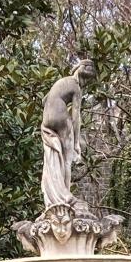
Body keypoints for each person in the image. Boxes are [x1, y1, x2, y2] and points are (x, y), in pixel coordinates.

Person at [40, 59, 96, 209]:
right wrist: (77, 142)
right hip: (60, 118)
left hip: (46, 120)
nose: (85, 84)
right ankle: (65, 194)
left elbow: (44, 100)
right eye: (86, 81)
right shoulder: (76, 87)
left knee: (56, 157)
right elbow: (76, 116)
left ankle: (58, 192)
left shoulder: (62, 81)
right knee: (67, 157)